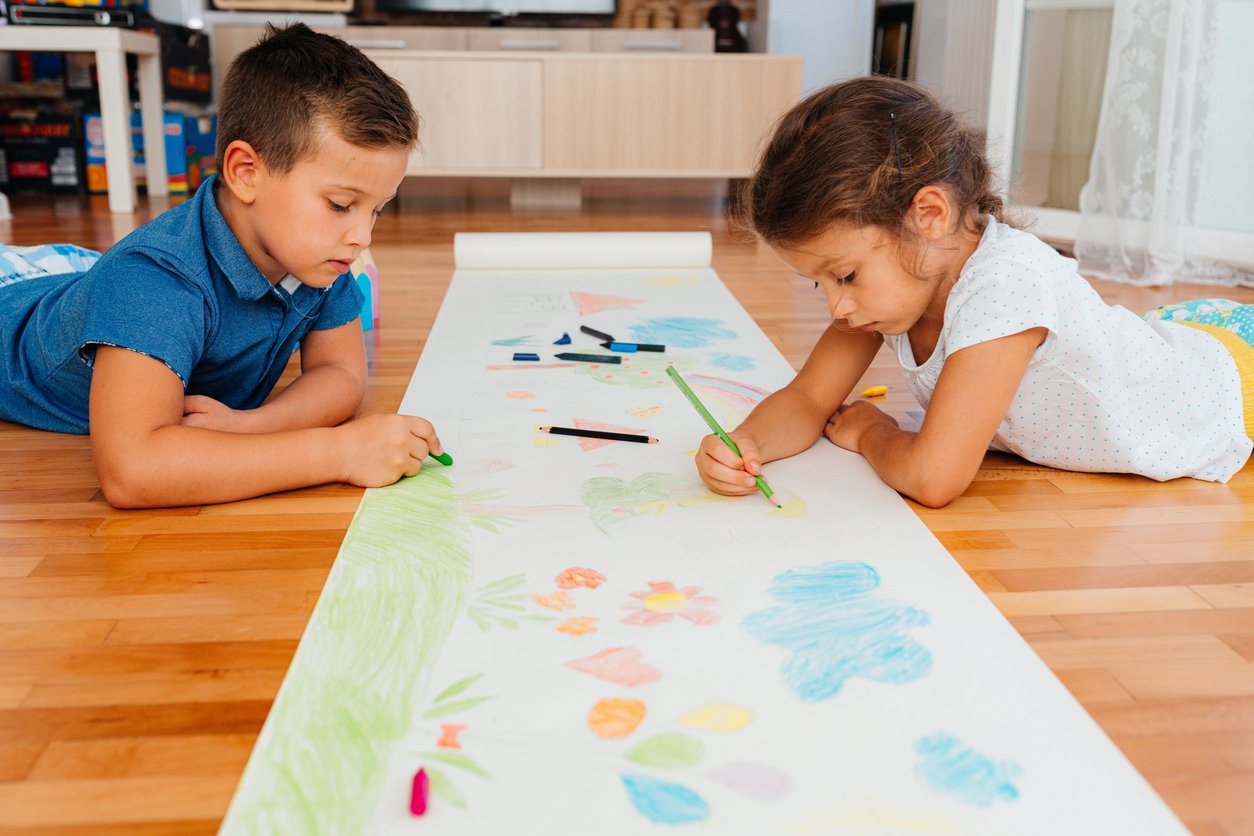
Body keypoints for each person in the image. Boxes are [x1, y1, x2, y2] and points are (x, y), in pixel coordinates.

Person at [696, 76, 1253, 508]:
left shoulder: (1003, 288)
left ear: (929, 216)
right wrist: (745, 443)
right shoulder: (897, 289)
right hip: (1173, 343)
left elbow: (934, 478)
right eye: (817, 283)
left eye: (844, 275)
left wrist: (872, 432)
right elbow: (806, 401)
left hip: (1228, 390)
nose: (836, 306)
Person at [0, 23, 445, 508]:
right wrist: (338, 453)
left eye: (376, 209)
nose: (363, 236)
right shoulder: (154, 280)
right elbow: (133, 470)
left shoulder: (319, 254)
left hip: (75, 281)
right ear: (245, 173)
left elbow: (341, 373)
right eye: (340, 204)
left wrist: (250, 426)